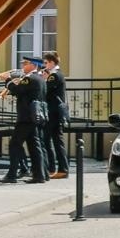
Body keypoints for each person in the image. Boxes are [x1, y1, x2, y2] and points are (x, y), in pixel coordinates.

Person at [1, 57, 47, 184]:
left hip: (26, 117)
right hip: (34, 116)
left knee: (14, 144)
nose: (22, 65)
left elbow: (18, 90)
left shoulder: (29, 78)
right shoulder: (40, 79)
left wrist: (8, 80)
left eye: (25, 63)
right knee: (34, 146)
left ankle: (12, 175)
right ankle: (40, 175)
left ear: (33, 65)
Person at [42, 51, 69, 179]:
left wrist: (43, 79)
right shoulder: (56, 75)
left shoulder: (54, 76)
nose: (45, 65)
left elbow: (45, 90)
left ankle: (54, 168)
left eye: (46, 62)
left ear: (52, 63)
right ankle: (57, 168)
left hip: (53, 113)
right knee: (55, 141)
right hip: (54, 112)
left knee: (50, 140)